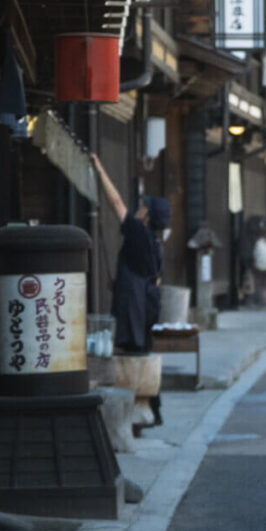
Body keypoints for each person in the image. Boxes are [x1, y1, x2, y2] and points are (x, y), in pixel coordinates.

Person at [90, 154, 169, 424]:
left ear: (147, 216)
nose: (139, 209)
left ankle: (135, 415)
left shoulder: (139, 233)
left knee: (129, 360)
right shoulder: (155, 243)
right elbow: (155, 280)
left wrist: (99, 168)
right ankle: (149, 411)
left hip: (133, 308)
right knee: (140, 354)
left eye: (143, 207)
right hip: (146, 308)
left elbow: (116, 203)